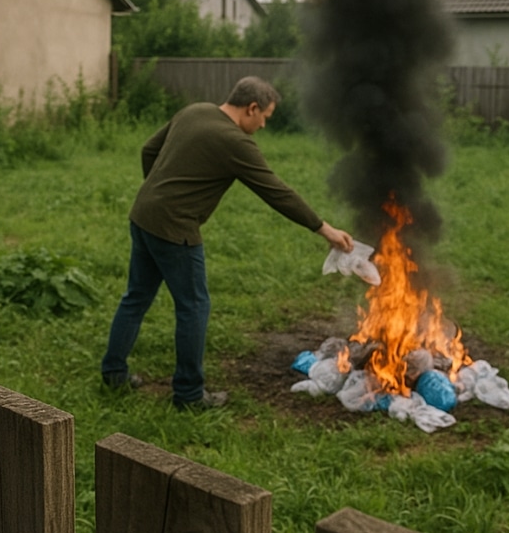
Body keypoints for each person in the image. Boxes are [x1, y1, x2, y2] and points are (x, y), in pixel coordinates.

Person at [101, 76, 355, 410]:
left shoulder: (196, 110)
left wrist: (161, 190)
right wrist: (325, 229)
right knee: (194, 307)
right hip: (175, 229)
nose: (264, 124)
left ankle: (114, 373)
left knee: (135, 297)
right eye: (265, 116)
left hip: (143, 215)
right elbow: (276, 191)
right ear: (251, 108)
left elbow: (149, 150)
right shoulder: (234, 141)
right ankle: (190, 395)